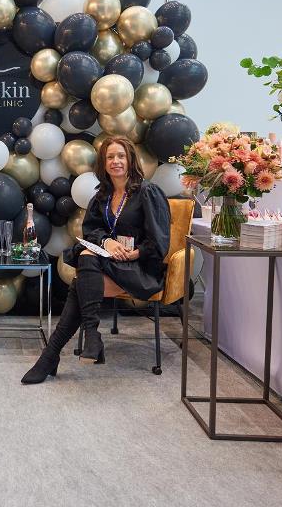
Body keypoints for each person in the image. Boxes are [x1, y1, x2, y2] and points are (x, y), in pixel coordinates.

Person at [22, 137, 171, 384]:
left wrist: (136, 253)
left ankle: (55, 353)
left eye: (121, 156)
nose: (116, 161)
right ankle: (87, 337)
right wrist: (107, 242)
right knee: (87, 257)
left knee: (82, 278)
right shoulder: (103, 195)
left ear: (130, 160)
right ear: (103, 162)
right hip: (110, 261)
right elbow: (92, 230)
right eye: (110, 157)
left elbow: (159, 239)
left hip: (139, 266)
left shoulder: (147, 192)